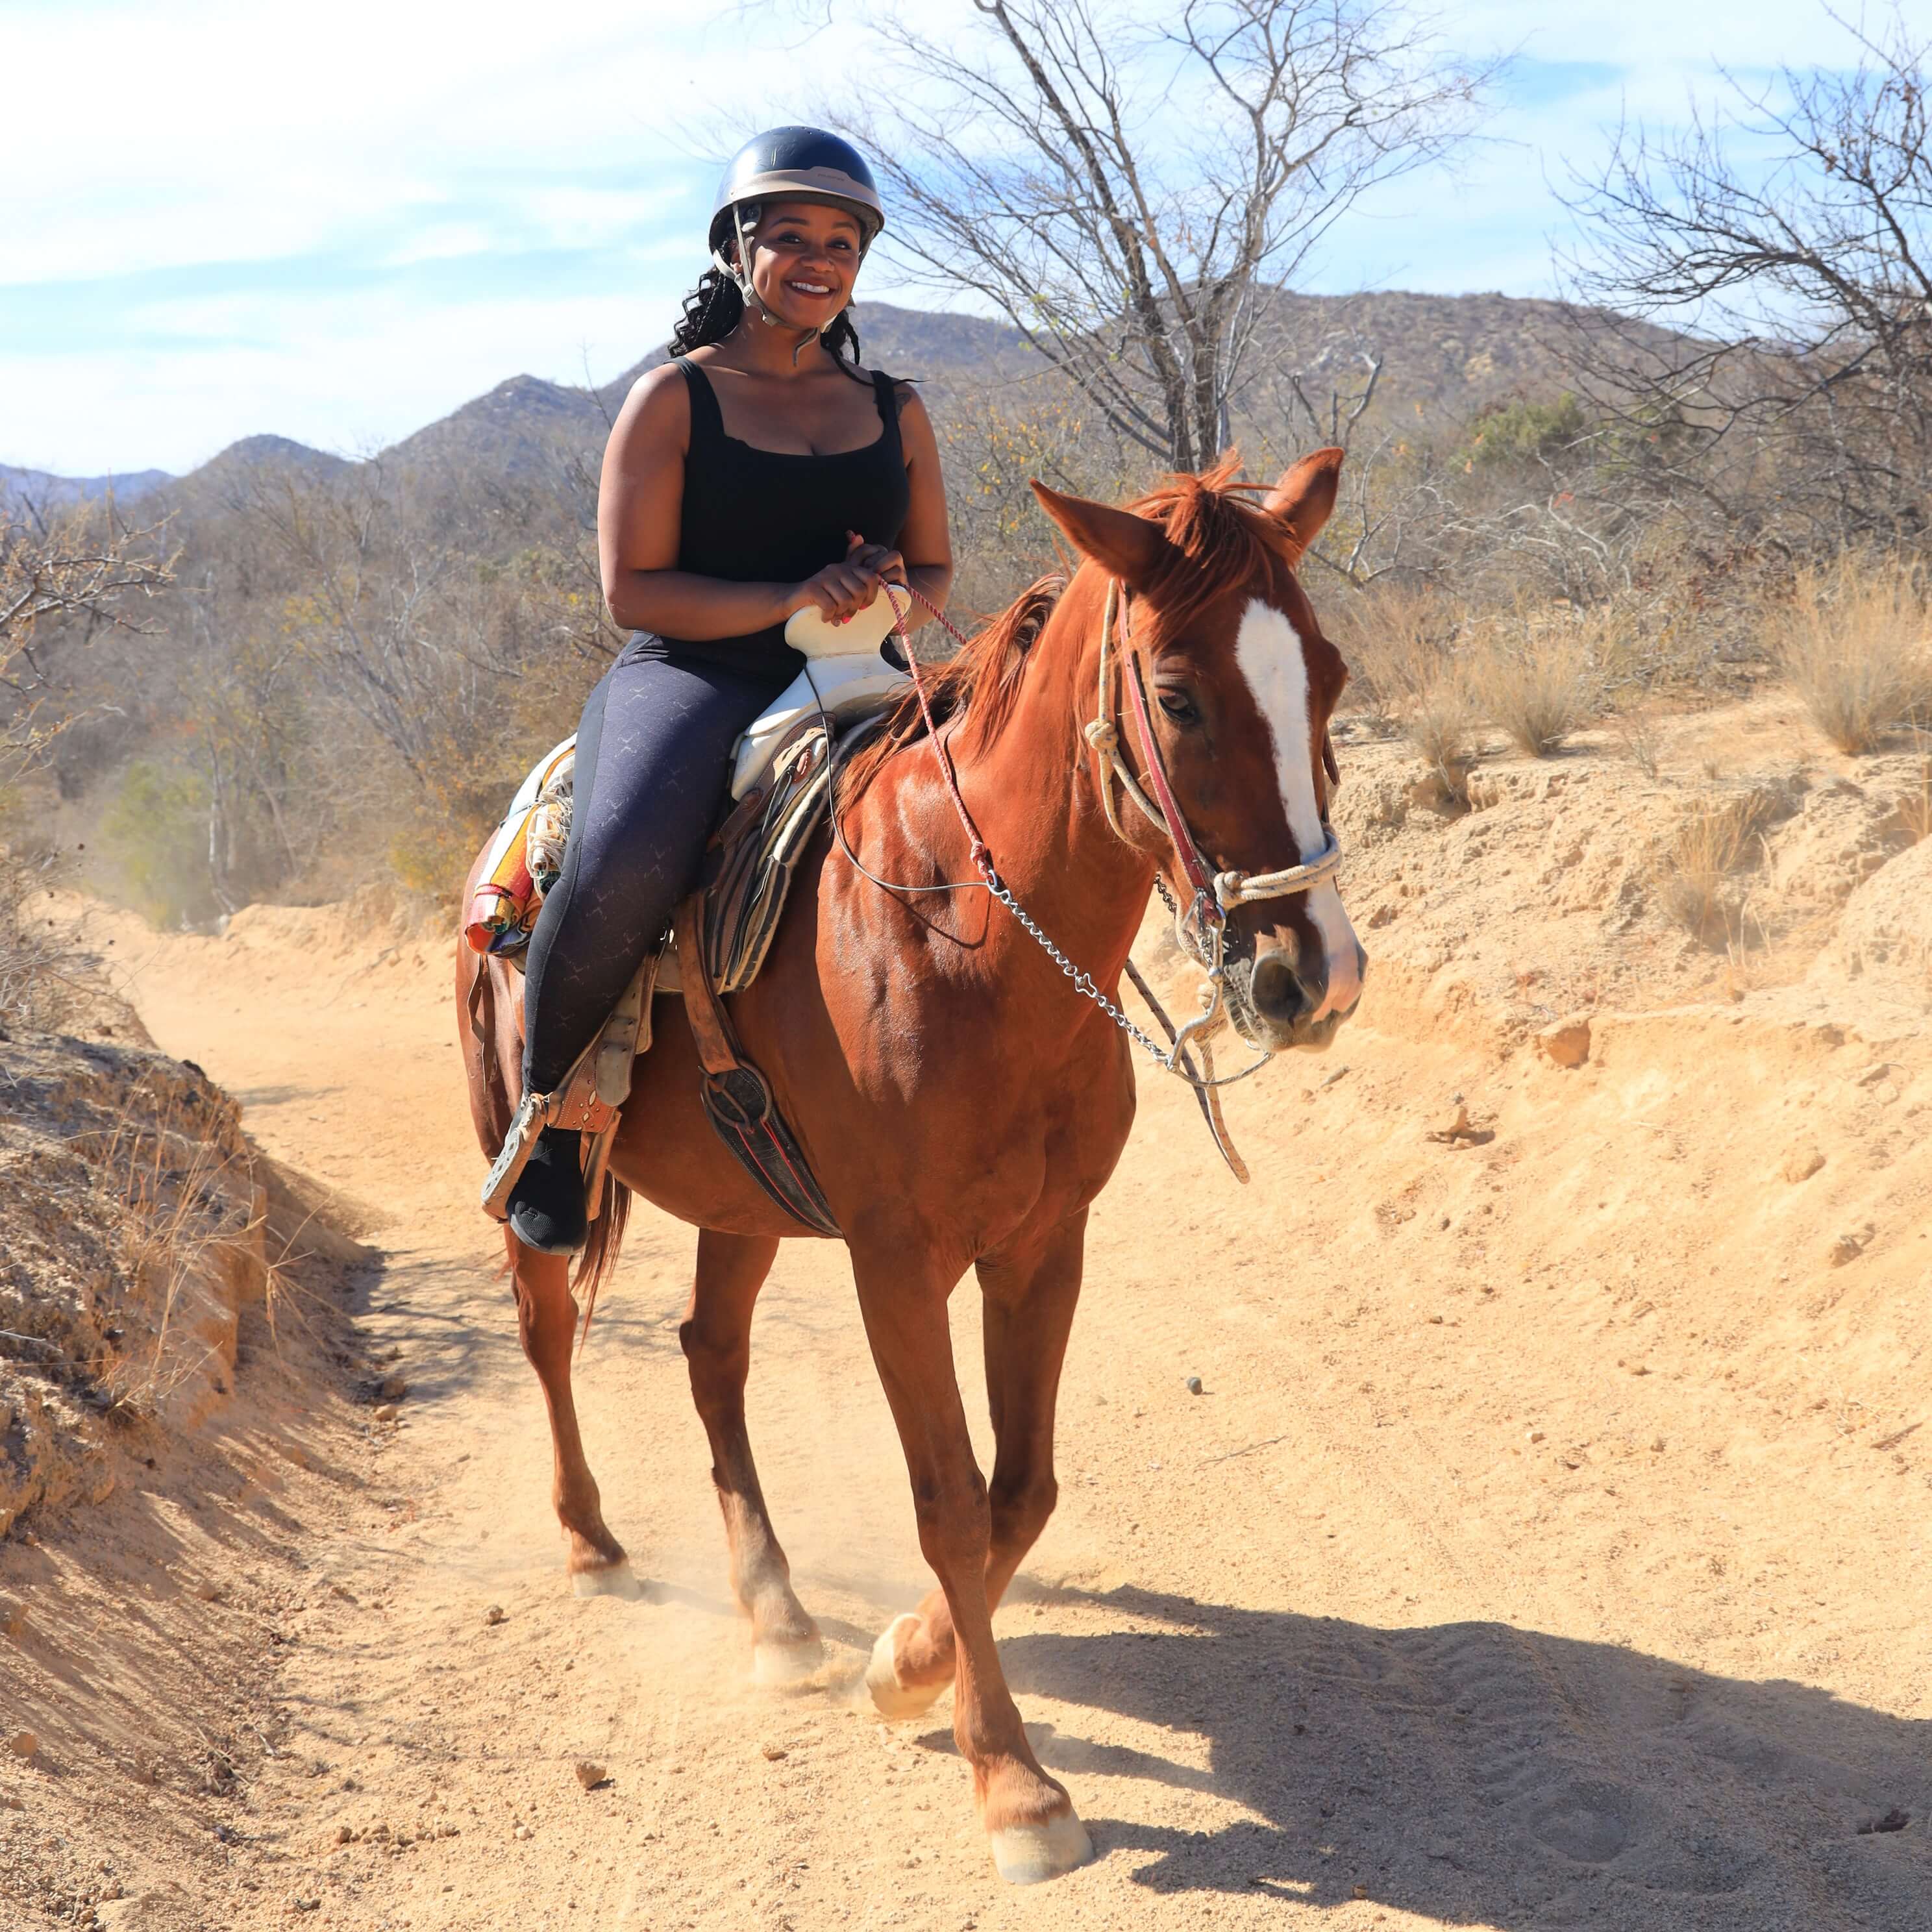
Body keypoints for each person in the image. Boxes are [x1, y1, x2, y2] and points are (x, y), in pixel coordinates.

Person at [490, 127, 954, 1254]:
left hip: (860, 667)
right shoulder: (672, 401)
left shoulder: (895, 407)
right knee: (625, 857)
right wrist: (794, 592)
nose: (818, 258)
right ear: (737, 247)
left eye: (841, 241)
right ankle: (554, 1119)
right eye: (790, 234)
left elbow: (937, 570)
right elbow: (633, 591)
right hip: (698, 670)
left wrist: (893, 591)